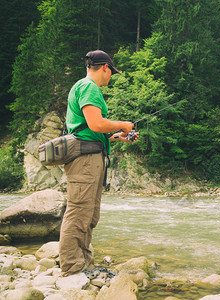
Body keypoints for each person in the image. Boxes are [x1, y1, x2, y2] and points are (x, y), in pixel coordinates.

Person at [59, 50, 138, 277]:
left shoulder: (86, 88)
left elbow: (90, 130)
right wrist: (123, 124)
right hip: (84, 160)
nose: (111, 77)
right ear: (105, 67)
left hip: (91, 155)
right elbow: (95, 124)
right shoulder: (88, 87)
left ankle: (85, 264)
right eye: (111, 72)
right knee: (78, 212)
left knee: (90, 214)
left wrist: (117, 136)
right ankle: (73, 268)